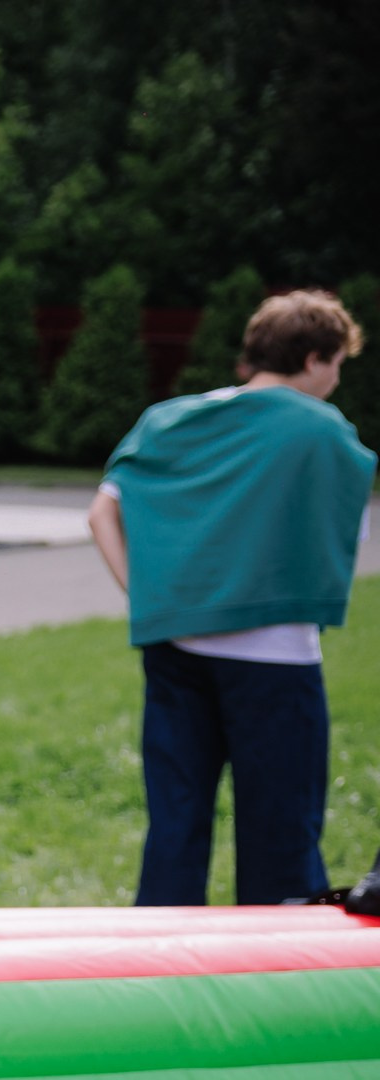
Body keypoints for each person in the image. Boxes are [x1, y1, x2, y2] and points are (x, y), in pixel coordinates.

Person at [90, 289, 375, 906]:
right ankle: (277, 972)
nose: (334, 380)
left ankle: (161, 965)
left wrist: (148, 598)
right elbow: (349, 530)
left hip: (173, 643)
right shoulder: (320, 429)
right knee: (282, 828)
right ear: (317, 358)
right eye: (337, 365)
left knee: (176, 819)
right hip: (275, 655)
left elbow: (101, 513)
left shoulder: (170, 419)